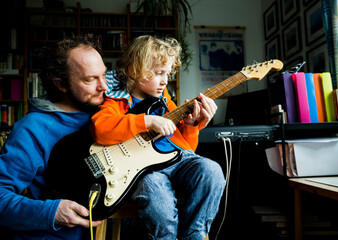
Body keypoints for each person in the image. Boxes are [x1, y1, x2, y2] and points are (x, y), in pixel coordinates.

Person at [91, 35, 226, 240]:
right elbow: (100, 128)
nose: (165, 80)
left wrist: (191, 126)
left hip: (178, 161)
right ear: (133, 71)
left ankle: (195, 234)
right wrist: (147, 121)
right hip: (145, 171)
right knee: (153, 187)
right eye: (158, 73)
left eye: (168, 73)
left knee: (212, 170)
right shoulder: (117, 100)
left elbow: (188, 148)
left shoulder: (166, 101)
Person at [0, 34, 107, 239]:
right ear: (61, 84)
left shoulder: (109, 116)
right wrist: (52, 212)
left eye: (104, 75)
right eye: (90, 79)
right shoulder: (32, 129)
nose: (104, 87)